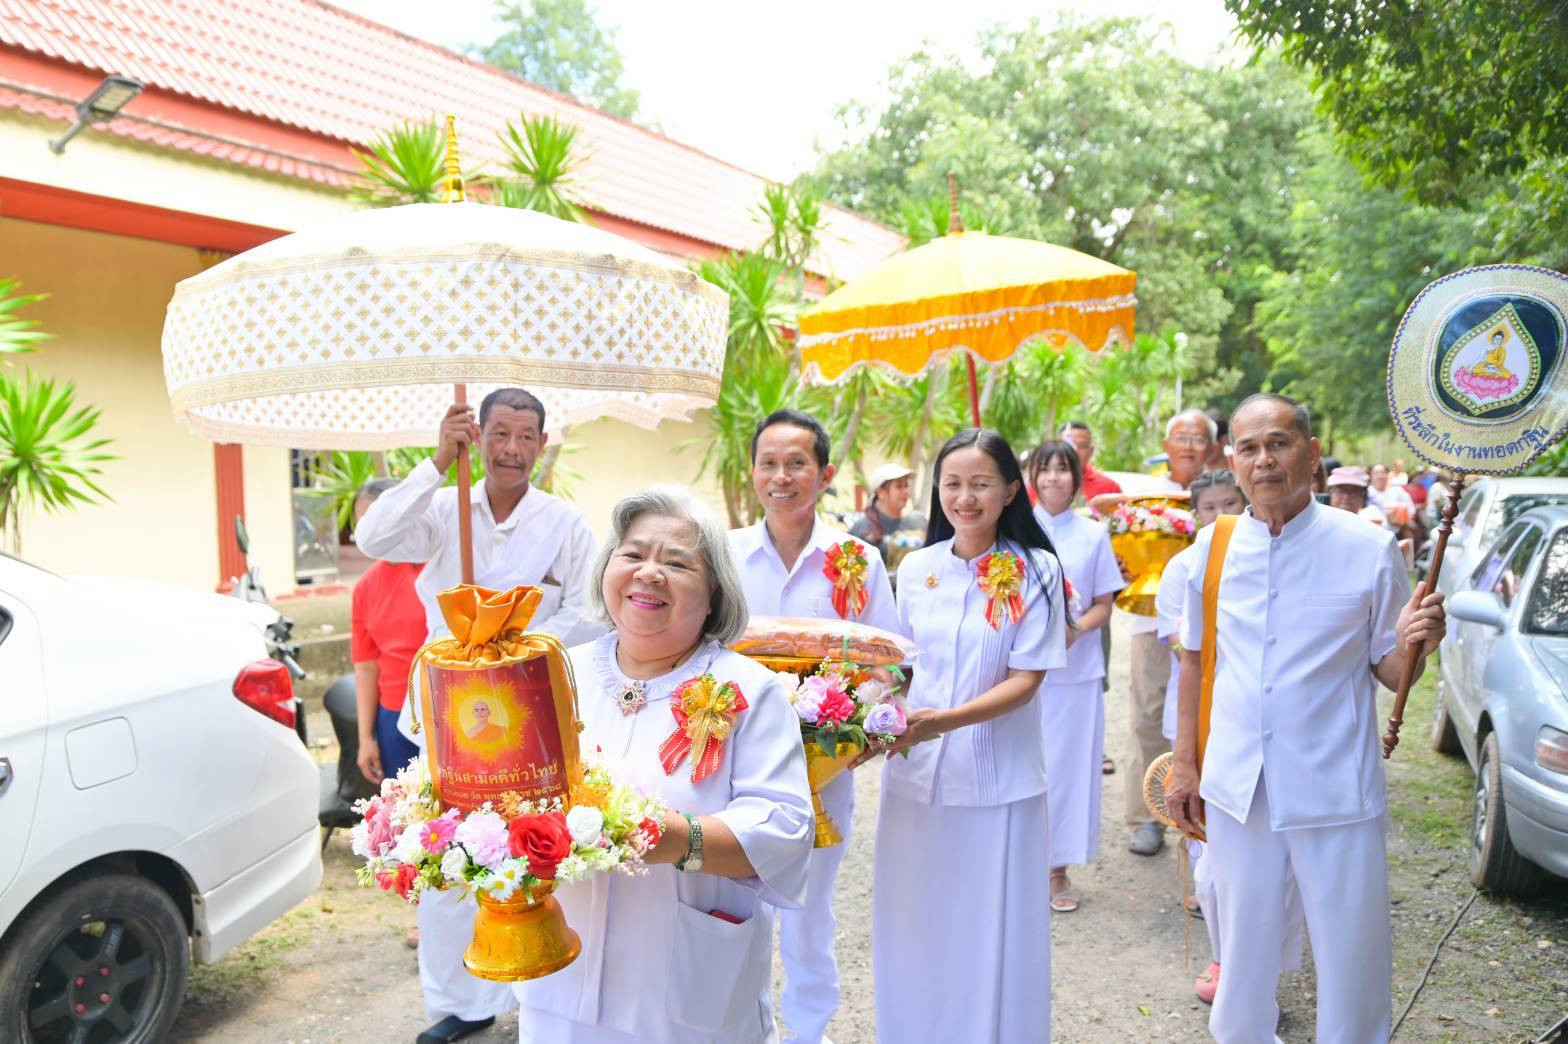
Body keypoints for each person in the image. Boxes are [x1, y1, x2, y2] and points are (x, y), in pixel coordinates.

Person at [1166, 393, 1446, 1043]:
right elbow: (1193, 663)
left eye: (1280, 443)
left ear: (1313, 455)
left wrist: (1418, 644)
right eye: (1248, 448)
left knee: (1352, 960)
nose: (1264, 460)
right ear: (1229, 461)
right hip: (1239, 787)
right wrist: (1185, 765)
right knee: (1241, 958)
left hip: (1335, 786)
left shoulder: (1369, 550)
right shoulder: (1208, 551)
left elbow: (1393, 673)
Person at [514, 485, 813, 1043]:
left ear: (713, 591)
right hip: (559, 967)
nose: (648, 573)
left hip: (682, 990)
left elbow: (786, 827)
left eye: (676, 563)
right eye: (633, 554)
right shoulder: (552, 675)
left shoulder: (746, 690)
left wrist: (679, 840)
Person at [355, 388, 601, 1044]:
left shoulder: (567, 525)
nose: (511, 448)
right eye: (499, 433)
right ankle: (460, 1004)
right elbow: (372, 535)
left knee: (536, 845)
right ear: (477, 435)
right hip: (442, 718)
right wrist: (436, 461)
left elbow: (586, 612)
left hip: (530, 721)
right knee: (449, 854)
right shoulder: (440, 508)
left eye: (526, 436)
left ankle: (543, 986)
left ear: (541, 445)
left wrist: (514, 652)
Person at [867, 428, 1067, 1042]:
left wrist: (940, 723)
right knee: (916, 924)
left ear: (1011, 490)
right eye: (952, 484)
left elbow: (1026, 679)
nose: (965, 497)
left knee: (990, 932)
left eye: (981, 484)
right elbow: (898, 666)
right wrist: (871, 717)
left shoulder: (1037, 570)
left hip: (997, 785)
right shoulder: (918, 566)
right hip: (913, 785)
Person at [728, 409, 898, 1044]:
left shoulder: (858, 560)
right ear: (752, 473)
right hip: (734, 765)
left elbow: (888, 663)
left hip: (825, 769)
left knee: (809, 911)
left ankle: (807, 1032)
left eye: (796, 463)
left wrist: (855, 737)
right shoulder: (723, 556)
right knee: (736, 908)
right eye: (769, 463)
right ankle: (741, 1027)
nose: (781, 476)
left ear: (824, 474)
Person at [1154, 471, 1306, 1006]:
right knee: (1217, 868)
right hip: (1212, 725)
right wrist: (1187, 760)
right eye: (1209, 504)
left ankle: (1259, 981)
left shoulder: (1317, 551)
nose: (1219, 511)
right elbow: (1187, 650)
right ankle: (1227, 959)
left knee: (1280, 871)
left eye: (1228, 502)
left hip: (1287, 741)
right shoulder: (1195, 558)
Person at [1092, 408, 1214, 856]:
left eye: (1197, 438)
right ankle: (1147, 818)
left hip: (1216, 628)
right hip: (1153, 624)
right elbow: (1115, 547)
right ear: (1165, 446)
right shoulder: (1144, 497)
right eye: (1179, 436)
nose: (1187, 445)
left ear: (1213, 447)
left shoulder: (1226, 492)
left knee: (1209, 721)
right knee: (1147, 717)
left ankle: (1203, 817)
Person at [1028, 439, 1123, 912]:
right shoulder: (1016, 533)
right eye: (1044, 470)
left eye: (1062, 470)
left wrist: (1074, 630)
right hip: (1023, 672)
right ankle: (1019, 864)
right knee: (1021, 766)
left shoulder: (1092, 535)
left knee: (1066, 771)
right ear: (1031, 478)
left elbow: (1105, 602)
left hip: (1077, 672)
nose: (1053, 479)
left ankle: (1057, 870)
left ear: (1076, 476)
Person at [350, 478, 423, 788]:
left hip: (446, 712)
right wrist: (366, 738)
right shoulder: (365, 587)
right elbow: (366, 667)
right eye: (362, 524)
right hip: (393, 718)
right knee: (406, 818)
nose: (370, 533)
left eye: (376, 521)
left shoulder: (438, 568)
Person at [849, 461, 928, 579]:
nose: (906, 491)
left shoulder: (920, 521)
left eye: (906, 485)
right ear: (880, 492)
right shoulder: (862, 528)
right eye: (899, 486)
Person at [1060, 420, 1122, 500]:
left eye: (1082, 446)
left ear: (1091, 451)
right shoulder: (1043, 485)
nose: (1074, 451)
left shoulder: (1109, 488)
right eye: (1068, 445)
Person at [1368, 464, 1415, 536]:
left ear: (1388, 475)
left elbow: (1411, 510)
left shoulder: (1397, 491)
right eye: (1376, 473)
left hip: (1395, 535)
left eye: (1382, 473)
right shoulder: (1367, 492)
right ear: (1371, 476)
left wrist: (1400, 520)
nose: (1380, 476)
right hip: (1371, 534)